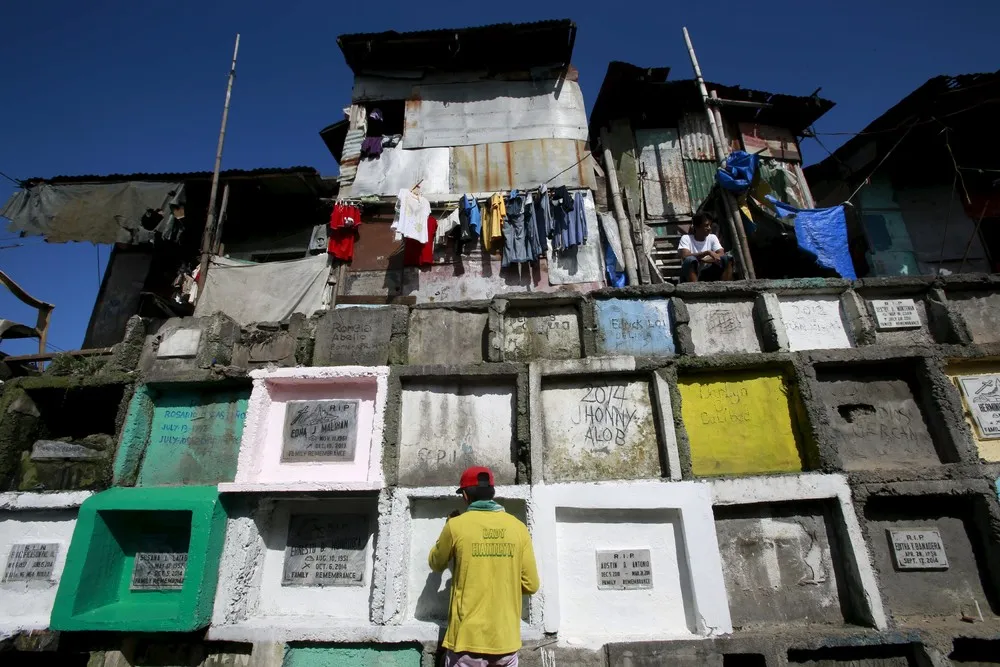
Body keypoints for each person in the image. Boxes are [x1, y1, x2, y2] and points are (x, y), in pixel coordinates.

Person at [428, 466, 540, 667]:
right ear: (492, 493)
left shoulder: (455, 526)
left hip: (467, 643)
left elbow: (436, 563)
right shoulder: (518, 528)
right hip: (506, 643)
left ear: (465, 495)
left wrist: (447, 527)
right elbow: (531, 585)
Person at [678, 212, 734, 282]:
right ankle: (694, 289)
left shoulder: (712, 237)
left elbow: (721, 254)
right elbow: (685, 255)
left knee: (727, 258)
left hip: (708, 272)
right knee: (690, 260)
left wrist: (706, 258)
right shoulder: (686, 238)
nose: (709, 228)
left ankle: (726, 287)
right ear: (696, 226)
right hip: (691, 275)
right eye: (706, 225)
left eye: (710, 225)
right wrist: (707, 253)